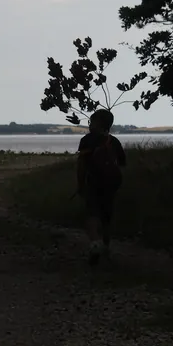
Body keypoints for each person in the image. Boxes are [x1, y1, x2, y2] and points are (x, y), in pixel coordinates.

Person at [76, 109, 126, 266]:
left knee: (91, 215)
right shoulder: (114, 141)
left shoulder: (87, 140)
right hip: (111, 185)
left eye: (92, 121)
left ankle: (95, 244)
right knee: (106, 218)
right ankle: (105, 249)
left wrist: (80, 184)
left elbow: (82, 165)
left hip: (93, 183)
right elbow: (122, 165)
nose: (90, 125)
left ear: (97, 123)